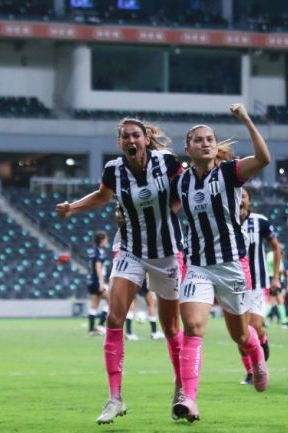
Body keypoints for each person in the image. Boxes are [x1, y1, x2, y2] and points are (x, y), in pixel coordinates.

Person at [56, 117, 185, 424]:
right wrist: (73, 207)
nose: (131, 140)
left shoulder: (166, 162)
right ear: (120, 143)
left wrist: (166, 211)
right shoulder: (114, 170)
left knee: (170, 328)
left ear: (145, 139)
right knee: (114, 318)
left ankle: (182, 390)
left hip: (166, 253)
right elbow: (102, 196)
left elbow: (184, 194)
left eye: (136, 135)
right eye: (125, 136)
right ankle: (115, 398)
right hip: (129, 250)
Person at [173, 103, 271, 422]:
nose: (206, 143)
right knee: (193, 326)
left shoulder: (229, 173)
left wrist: (245, 120)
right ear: (187, 148)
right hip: (198, 264)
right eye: (199, 140)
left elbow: (264, 159)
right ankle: (189, 399)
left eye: (210, 139)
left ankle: (256, 357)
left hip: (231, 265)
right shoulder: (182, 182)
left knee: (240, 336)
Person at [237, 187, 281, 385]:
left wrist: (276, 277)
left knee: (254, 327)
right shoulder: (224, 220)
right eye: (237, 196)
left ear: (249, 201)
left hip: (258, 283)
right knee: (240, 332)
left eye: (243, 196)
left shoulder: (260, 221)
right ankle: (249, 371)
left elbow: (276, 247)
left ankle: (262, 340)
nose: (240, 199)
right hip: (235, 284)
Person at [86, 231, 110, 336]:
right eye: (106, 239)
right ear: (102, 240)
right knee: (112, 301)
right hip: (96, 281)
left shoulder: (92, 251)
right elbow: (98, 267)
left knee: (94, 305)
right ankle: (100, 325)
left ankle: (91, 330)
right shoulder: (99, 252)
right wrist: (102, 283)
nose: (107, 241)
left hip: (90, 280)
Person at [265, 249, 288, 328]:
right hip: (275, 279)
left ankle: (284, 322)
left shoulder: (269, 254)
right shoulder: (276, 256)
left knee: (280, 301)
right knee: (271, 301)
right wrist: (284, 271)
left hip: (270, 278)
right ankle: (260, 320)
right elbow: (279, 269)